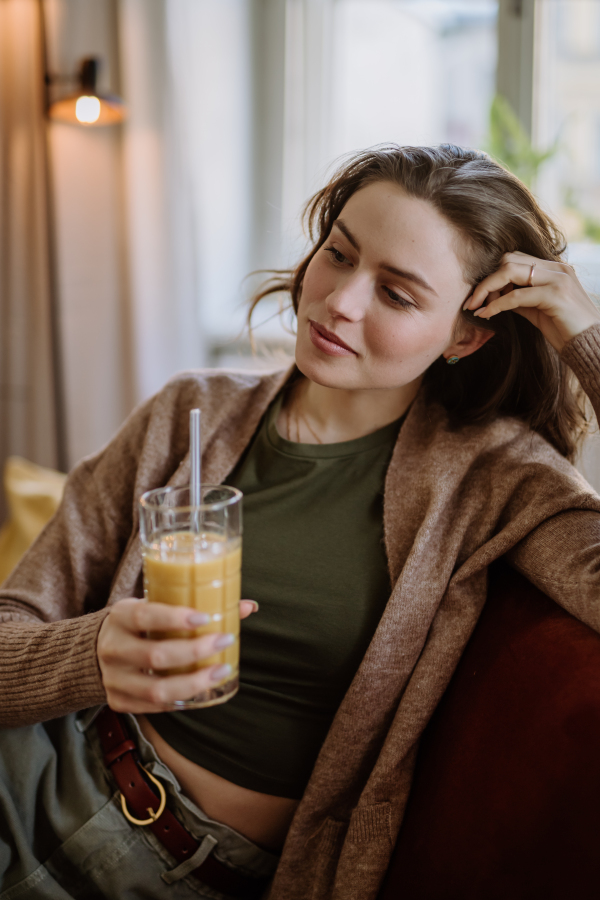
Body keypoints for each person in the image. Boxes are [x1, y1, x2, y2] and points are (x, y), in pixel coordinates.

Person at [1, 144, 600, 900]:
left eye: (398, 294)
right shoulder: (189, 414)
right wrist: (90, 655)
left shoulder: (495, 482)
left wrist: (586, 336)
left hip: (186, 871)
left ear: (466, 334)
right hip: (34, 769)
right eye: (339, 253)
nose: (340, 301)